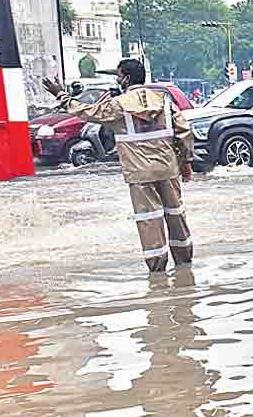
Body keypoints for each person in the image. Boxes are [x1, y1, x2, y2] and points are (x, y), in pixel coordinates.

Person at [42, 58, 195, 273]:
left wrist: (61, 95)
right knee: (176, 214)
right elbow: (184, 132)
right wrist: (186, 161)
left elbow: (87, 112)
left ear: (126, 78)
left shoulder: (118, 105)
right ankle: (185, 264)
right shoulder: (164, 101)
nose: (117, 79)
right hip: (168, 169)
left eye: (118, 75)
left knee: (149, 221)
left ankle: (157, 272)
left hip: (139, 173)